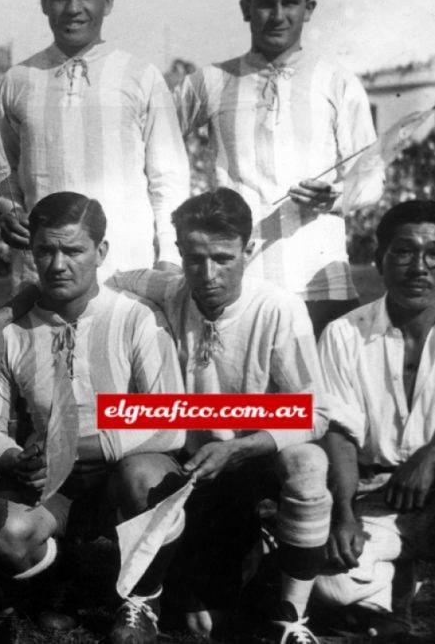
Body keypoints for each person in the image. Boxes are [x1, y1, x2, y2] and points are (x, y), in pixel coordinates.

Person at [105, 189, 332, 642]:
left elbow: (316, 411)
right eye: (194, 258)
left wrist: (240, 445)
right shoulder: (171, 288)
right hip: (188, 464)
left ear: (248, 251)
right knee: (135, 471)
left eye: (223, 259)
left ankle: (292, 618)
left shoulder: (279, 308)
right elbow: (101, 280)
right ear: (180, 253)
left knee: (308, 464)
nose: (207, 275)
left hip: (250, 460)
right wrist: (8, 311)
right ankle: (144, 601)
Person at [0, 192, 185, 643]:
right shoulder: (14, 333)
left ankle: (143, 602)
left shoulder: (136, 317)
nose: (58, 264)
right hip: (57, 485)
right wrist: (14, 459)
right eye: (46, 250)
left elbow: (171, 418)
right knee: (1, 525)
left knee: (148, 478)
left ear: (101, 252)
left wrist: (79, 446)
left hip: (121, 474)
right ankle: (60, 591)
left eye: (73, 250)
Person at [0, 0, 190, 283]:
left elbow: (169, 179)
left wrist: (170, 260)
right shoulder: (18, 80)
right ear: (44, 1)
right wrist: (9, 213)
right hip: (42, 277)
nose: (73, 8)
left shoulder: (141, 77)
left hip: (125, 271)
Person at [174, 0, 380, 336]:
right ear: (245, 8)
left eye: (290, 3)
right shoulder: (210, 82)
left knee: (320, 397)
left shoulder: (337, 81)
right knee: (241, 397)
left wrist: (334, 196)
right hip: (237, 282)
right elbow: (152, 144)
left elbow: (370, 178)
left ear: (309, 8)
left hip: (321, 283)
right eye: (266, 3)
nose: (278, 15)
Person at [315, 201, 435, 640]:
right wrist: (344, 512)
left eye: (434, 255)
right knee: (328, 587)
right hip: (377, 495)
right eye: (404, 251)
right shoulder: (344, 333)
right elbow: (339, 431)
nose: (418, 267)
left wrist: (434, 454)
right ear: (379, 261)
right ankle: (391, 597)